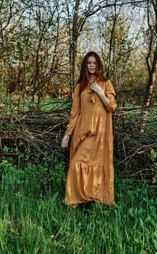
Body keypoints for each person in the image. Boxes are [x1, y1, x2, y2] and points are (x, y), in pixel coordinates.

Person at [61, 51, 117, 208]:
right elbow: (75, 112)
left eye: (94, 63)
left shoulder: (106, 83)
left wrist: (99, 91)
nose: (92, 65)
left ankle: (92, 197)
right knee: (76, 165)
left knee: (95, 166)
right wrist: (67, 135)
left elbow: (112, 107)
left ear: (98, 65)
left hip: (99, 134)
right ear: (85, 65)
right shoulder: (80, 86)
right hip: (81, 132)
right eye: (89, 63)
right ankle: (77, 200)